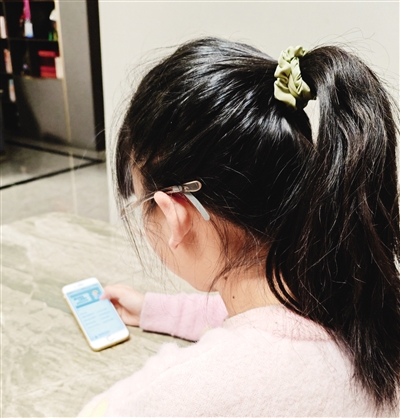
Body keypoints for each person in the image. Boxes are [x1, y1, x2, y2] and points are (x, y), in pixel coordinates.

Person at [78, 38, 400, 417]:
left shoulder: (193, 392)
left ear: (174, 214)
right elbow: (263, 322)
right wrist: (152, 309)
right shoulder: (357, 294)